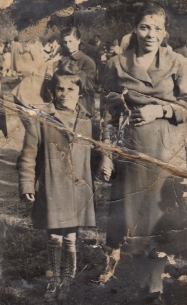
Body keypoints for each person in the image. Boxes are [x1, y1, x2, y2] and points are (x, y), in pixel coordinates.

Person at [100, 2, 187, 302]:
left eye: (157, 28)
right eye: (145, 27)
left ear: (165, 32)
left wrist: (161, 109)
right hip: (132, 158)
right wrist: (106, 154)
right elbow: (108, 115)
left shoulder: (178, 63)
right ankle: (149, 290)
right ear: (135, 29)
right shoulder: (116, 65)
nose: (150, 34)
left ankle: (155, 286)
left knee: (162, 226)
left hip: (166, 156)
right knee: (136, 227)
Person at [18, 68, 96, 302]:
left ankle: (68, 279)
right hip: (52, 185)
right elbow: (29, 154)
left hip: (77, 188)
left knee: (71, 236)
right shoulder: (41, 120)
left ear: (80, 92)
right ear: (52, 91)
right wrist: (26, 183)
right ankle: (54, 279)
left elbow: (98, 151)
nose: (64, 94)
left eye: (71, 89)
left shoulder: (87, 121)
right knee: (54, 237)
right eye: (59, 88)